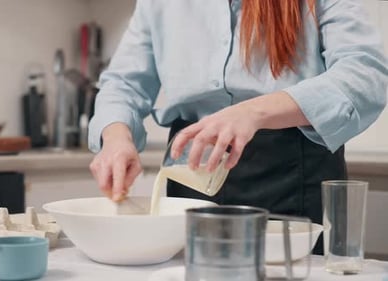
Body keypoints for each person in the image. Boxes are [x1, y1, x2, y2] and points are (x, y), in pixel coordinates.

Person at [87, 0, 388, 245]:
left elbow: (366, 76)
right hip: (192, 171)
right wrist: (115, 137)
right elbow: (123, 84)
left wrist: (254, 112)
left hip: (292, 174)